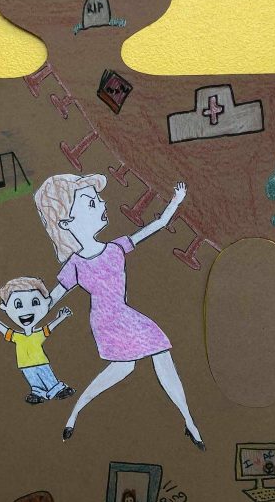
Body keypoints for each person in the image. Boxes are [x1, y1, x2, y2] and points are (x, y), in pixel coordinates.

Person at [34, 173, 205, 449]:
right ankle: (76, 413)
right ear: (66, 222)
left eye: (99, 199)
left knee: (132, 364)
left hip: (125, 315)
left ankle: (188, 421)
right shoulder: (75, 265)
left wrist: (176, 200)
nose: (103, 204)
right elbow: (50, 300)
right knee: (135, 362)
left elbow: (158, 225)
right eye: (91, 202)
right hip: (106, 321)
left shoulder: (115, 247)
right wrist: (28, 314)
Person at [0, 276, 75, 405]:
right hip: (25, 365)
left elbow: (50, 327)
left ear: (46, 302)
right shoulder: (18, 337)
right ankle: (37, 393)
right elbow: (5, 331)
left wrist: (62, 317)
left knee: (47, 376)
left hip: (41, 362)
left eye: (35, 302)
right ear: (5, 307)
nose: (26, 311)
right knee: (33, 380)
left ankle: (57, 389)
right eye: (18, 304)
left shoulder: (38, 335)